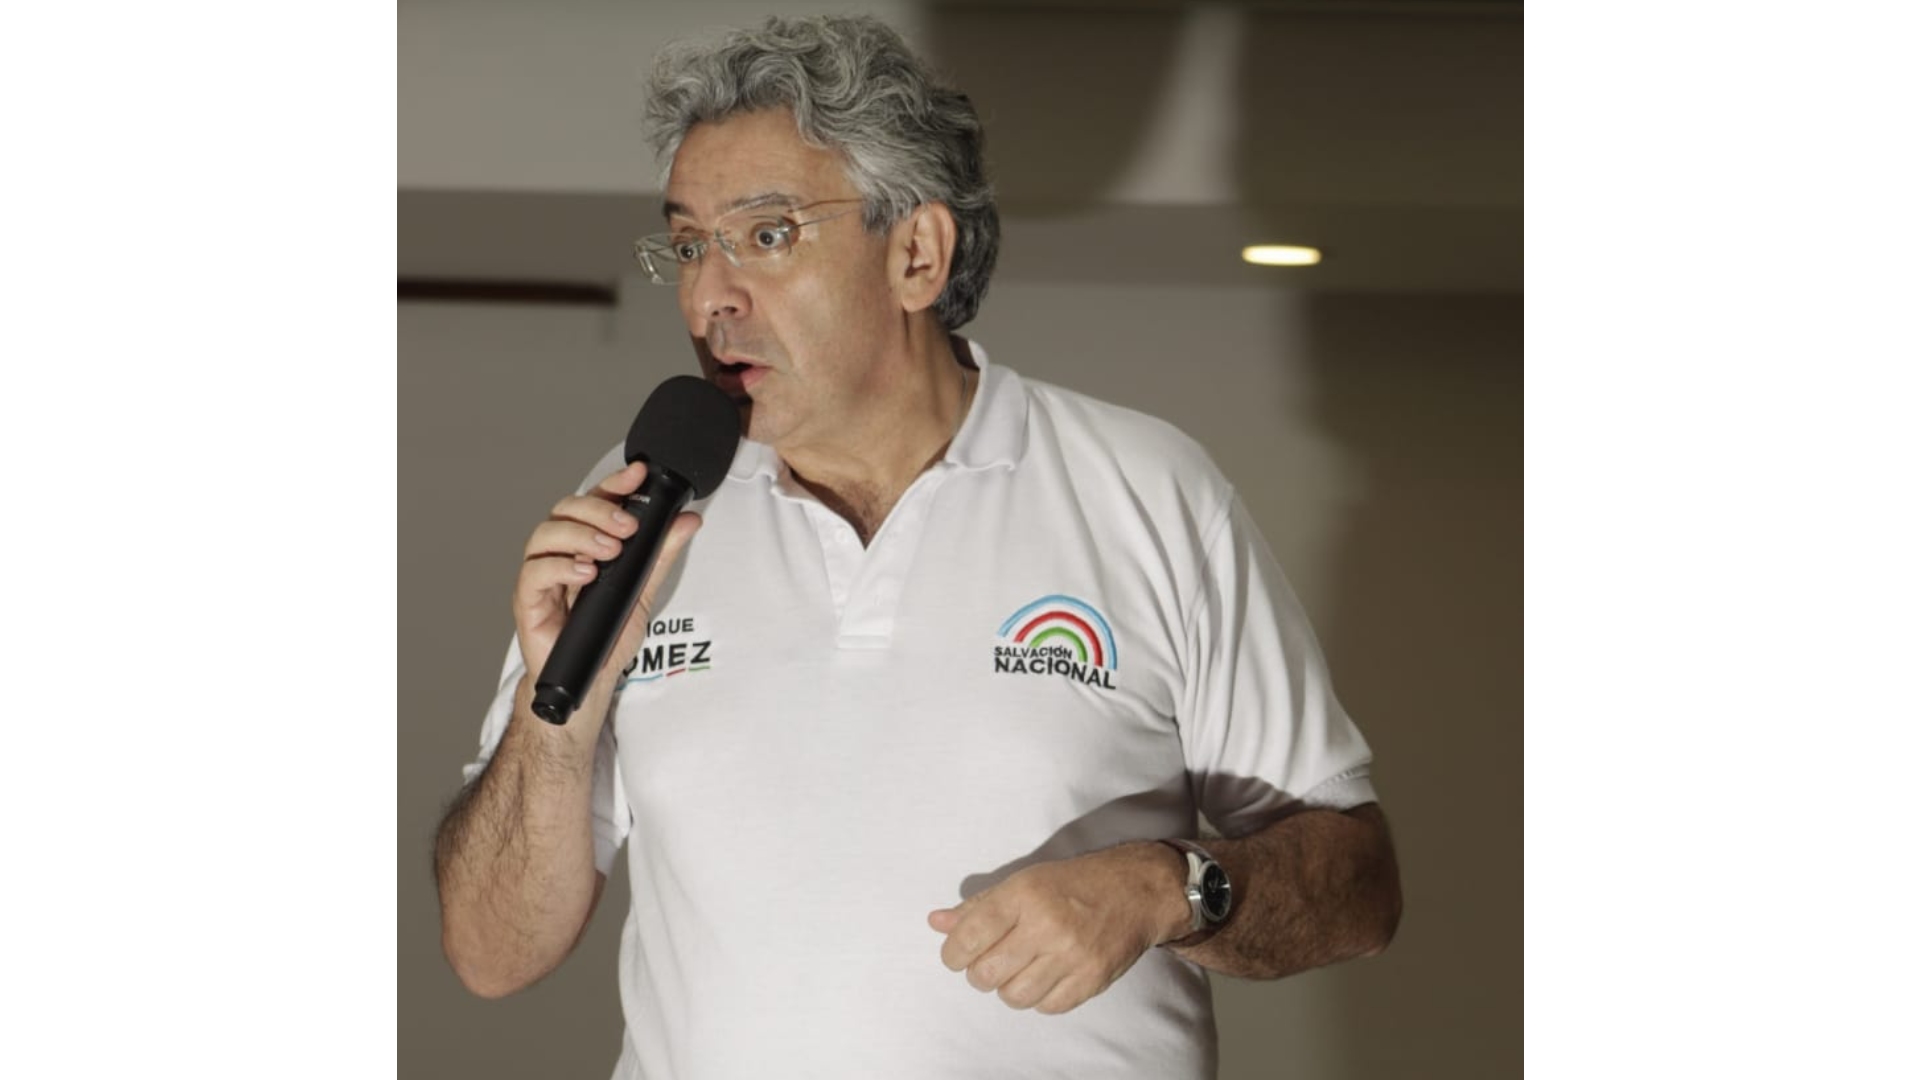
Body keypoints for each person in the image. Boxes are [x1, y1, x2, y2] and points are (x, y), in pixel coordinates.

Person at [434, 13, 1400, 1078]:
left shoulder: (1146, 489)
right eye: (691, 244)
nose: (709, 295)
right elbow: (490, 954)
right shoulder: (636, 505)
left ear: (917, 255)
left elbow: (1358, 889)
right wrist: (554, 713)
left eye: (767, 235)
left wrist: (1166, 886)